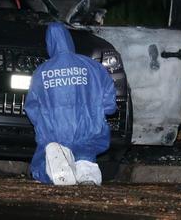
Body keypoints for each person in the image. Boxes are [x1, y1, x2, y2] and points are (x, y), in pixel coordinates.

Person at [24, 22, 117, 185]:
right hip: (89, 127)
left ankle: (56, 167)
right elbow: (108, 93)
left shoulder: (41, 72)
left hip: (54, 129)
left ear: (49, 44)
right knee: (86, 151)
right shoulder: (92, 66)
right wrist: (107, 109)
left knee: (40, 167)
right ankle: (86, 171)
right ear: (69, 39)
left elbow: (33, 106)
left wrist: (40, 125)